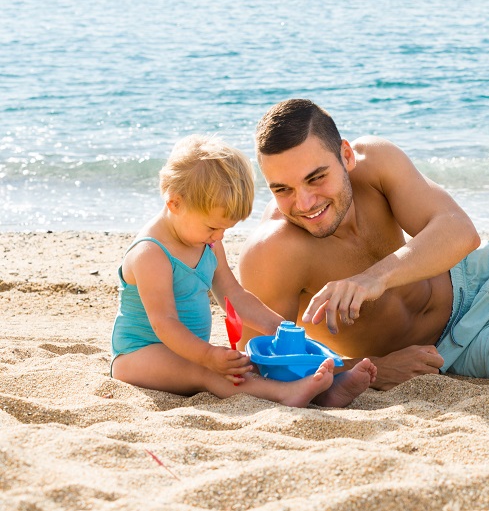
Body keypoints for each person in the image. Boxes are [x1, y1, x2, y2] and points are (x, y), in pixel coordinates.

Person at [237, 99, 489, 396]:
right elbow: (261, 367)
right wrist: (372, 369)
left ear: (346, 155)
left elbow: (460, 232)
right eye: (282, 189)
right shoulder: (272, 254)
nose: (304, 203)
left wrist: (372, 279)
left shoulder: (376, 162)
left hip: (477, 272)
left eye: (315, 178)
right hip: (454, 346)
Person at [110, 135, 377, 408]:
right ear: (175, 204)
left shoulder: (208, 243)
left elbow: (235, 296)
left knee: (254, 364)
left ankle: (326, 393)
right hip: (139, 356)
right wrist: (207, 356)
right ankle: (286, 395)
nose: (220, 235)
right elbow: (164, 322)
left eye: (226, 228)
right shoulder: (151, 254)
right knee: (210, 373)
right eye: (213, 226)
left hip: (189, 352)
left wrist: (279, 328)